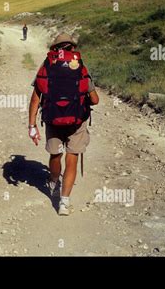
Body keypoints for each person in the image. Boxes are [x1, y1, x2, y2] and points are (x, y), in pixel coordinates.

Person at [28, 33, 99, 216]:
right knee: (72, 158)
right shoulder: (80, 66)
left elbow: (36, 99)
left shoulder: (47, 65)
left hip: (53, 119)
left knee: (55, 154)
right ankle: (64, 202)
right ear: (72, 48)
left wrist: (32, 125)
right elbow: (95, 99)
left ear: (54, 48)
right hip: (77, 121)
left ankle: (53, 180)